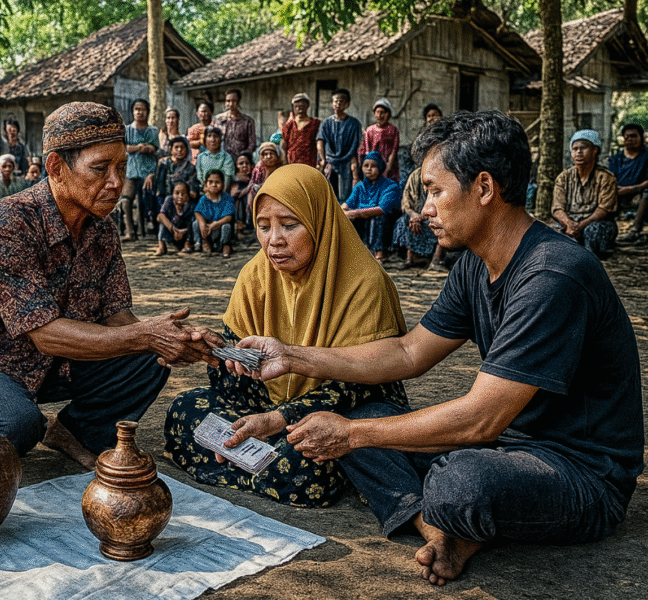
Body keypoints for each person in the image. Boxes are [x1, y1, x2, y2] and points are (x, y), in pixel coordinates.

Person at [227, 110, 643, 587]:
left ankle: (449, 517)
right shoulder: (474, 265)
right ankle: (442, 531)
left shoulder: (552, 275)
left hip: (581, 473)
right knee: (367, 419)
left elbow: (480, 418)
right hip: (505, 446)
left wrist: (352, 437)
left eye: (434, 190)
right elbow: (408, 353)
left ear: (484, 188)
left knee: (453, 481)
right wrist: (294, 356)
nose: (424, 209)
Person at [0, 102, 221, 469]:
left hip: (57, 360)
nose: (116, 182)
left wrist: (177, 336)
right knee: (17, 424)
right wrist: (146, 335)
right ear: (56, 167)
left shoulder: (102, 228)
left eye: (120, 167)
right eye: (100, 169)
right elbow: (46, 335)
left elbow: (117, 315)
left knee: (152, 358)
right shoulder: (8, 223)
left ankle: (70, 431)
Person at [165, 164, 407, 507]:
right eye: (263, 227)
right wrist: (220, 353)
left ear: (319, 220)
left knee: (307, 462)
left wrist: (280, 419)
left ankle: (253, 463)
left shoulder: (365, 284)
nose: (274, 240)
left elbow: (361, 384)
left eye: (290, 225)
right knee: (184, 410)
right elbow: (235, 386)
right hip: (268, 411)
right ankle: (263, 465)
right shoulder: (254, 277)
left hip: (336, 414)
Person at [552, 129, 618, 257]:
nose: (578, 152)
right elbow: (557, 208)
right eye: (574, 149)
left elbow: (604, 210)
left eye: (583, 148)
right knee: (549, 233)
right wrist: (569, 224)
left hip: (595, 223)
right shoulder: (563, 177)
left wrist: (581, 225)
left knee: (594, 232)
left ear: (595, 150)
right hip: (569, 224)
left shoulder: (606, 178)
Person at [342, 151, 401, 261]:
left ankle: (380, 253)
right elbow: (346, 205)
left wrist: (355, 212)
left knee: (379, 217)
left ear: (380, 167)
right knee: (347, 218)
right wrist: (345, 212)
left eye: (373, 166)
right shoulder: (360, 186)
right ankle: (353, 252)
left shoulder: (390, 185)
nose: (369, 169)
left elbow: (382, 209)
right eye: (366, 166)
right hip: (363, 220)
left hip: (384, 220)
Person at [118, 98, 160, 241]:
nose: (139, 112)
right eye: (136, 109)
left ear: (147, 112)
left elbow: (155, 148)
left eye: (142, 109)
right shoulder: (127, 130)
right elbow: (122, 148)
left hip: (148, 171)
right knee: (126, 200)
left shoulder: (153, 130)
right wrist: (137, 147)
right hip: (131, 171)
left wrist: (148, 148)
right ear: (133, 111)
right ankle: (130, 232)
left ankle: (148, 231)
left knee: (147, 197)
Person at [392, 167, 446, 271]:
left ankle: (436, 260)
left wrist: (422, 217)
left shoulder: (441, 174)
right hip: (416, 215)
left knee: (443, 223)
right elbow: (406, 203)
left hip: (435, 214)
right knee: (403, 222)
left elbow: (442, 205)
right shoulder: (415, 175)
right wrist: (413, 216)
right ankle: (410, 258)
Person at [317, 89, 361, 201]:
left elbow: (355, 147)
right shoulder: (326, 123)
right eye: (335, 101)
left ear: (347, 104)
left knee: (345, 197)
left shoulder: (354, 124)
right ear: (332, 103)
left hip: (346, 163)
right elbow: (320, 142)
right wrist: (323, 159)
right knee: (329, 196)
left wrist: (354, 168)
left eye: (341, 101)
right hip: (330, 162)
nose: (338, 104)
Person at [611, 123, 648, 246]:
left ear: (640, 137)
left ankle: (635, 230)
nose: (630, 140)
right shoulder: (616, 158)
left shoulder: (646, 155)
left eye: (633, 136)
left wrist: (634, 188)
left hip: (640, 193)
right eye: (627, 137)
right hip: (618, 193)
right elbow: (610, 178)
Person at [144, 135, 200, 207]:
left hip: (182, 199)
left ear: (187, 150)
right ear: (171, 150)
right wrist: (150, 176)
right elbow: (157, 178)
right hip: (163, 197)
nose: (179, 150)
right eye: (176, 147)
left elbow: (193, 191)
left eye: (182, 147)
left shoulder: (190, 167)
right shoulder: (163, 163)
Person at [194, 169, 236, 257]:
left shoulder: (226, 198)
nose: (214, 185)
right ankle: (205, 242)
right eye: (210, 182)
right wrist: (202, 223)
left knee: (227, 226)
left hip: (219, 227)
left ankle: (226, 245)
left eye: (217, 182)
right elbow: (197, 212)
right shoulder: (204, 199)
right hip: (207, 228)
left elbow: (229, 217)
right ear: (206, 184)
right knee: (195, 223)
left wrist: (217, 223)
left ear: (223, 185)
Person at [359, 98, 400, 181]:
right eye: (377, 112)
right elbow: (367, 151)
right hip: (372, 168)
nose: (380, 115)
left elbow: (394, 151)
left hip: (389, 169)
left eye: (383, 113)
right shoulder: (369, 130)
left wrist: (387, 169)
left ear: (388, 115)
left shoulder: (393, 130)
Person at [154, 181, 196, 256]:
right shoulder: (169, 200)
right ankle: (161, 246)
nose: (180, 196)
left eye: (183, 194)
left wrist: (182, 231)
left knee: (194, 225)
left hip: (185, 232)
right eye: (177, 193)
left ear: (188, 195)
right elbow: (160, 216)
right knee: (162, 223)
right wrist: (174, 229)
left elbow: (192, 223)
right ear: (172, 194)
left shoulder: (191, 206)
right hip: (172, 230)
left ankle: (187, 244)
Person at [213, 89, 257, 158]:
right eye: (228, 101)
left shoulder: (247, 121)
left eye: (234, 101)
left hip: (240, 159)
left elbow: (252, 144)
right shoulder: (218, 119)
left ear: (238, 102)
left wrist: (243, 156)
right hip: (221, 158)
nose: (230, 104)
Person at [246, 142, 284, 218]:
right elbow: (254, 186)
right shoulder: (259, 168)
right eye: (265, 154)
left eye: (271, 154)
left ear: (277, 156)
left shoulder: (281, 167)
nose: (268, 157)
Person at [281, 92, 320, 167]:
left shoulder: (315, 123)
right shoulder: (289, 125)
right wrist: (284, 159)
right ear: (293, 107)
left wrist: (319, 160)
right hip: (292, 162)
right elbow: (284, 143)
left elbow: (319, 143)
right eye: (297, 106)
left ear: (307, 106)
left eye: (302, 106)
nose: (299, 109)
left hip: (310, 162)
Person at [196, 126, 235, 191]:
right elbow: (199, 176)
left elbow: (227, 178)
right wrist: (207, 189)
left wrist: (220, 192)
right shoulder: (200, 157)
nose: (213, 140)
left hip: (222, 192)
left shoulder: (227, 157)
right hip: (205, 191)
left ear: (221, 139)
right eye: (209, 136)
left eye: (216, 136)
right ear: (205, 139)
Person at [230, 152, 254, 235]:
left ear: (251, 165)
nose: (244, 166)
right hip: (239, 208)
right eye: (241, 163)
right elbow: (234, 194)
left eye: (247, 163)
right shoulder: (234, 179)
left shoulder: (254, 178)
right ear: (236, 166)